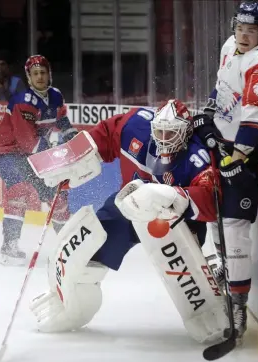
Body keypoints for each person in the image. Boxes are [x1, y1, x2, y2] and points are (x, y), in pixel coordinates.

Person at [27, 100, 230, 344]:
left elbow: (212, 200)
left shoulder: (198, 157)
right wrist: (76, 157)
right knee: (86, 245)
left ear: (186, 132)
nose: (164, 138)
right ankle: (72, 303)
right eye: (160, 131)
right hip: (129, 203)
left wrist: (173, 195)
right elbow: (106, 133)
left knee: (189, 276)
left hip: (176, 219)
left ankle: (210, 306)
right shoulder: (137, 126)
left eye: (172, 133)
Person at [191, 1, 258, 340]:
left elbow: (257, 116)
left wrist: (236, 158)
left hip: (241, 154)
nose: (244, 34)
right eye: (240, 27)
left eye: (252, 30)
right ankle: (224, 276)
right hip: (222, 148)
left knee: (234, 228)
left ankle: (238, 310)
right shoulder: (230, 47)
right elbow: (222, 88)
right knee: (214, 217)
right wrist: (208, 113)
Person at [0, 54, 77, 265]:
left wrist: (75, 141)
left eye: (43, 72)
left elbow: (63, 122)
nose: (40, 77)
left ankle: (69, 244)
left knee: (57, 194)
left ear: (49, 75)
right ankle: (9, 245)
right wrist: (57, 155)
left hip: (34, 154)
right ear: (29, 78)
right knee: (19, 189)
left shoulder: (56, 96)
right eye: (35, 73)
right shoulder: (23, 101)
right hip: (8, 152)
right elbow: (27, 141)